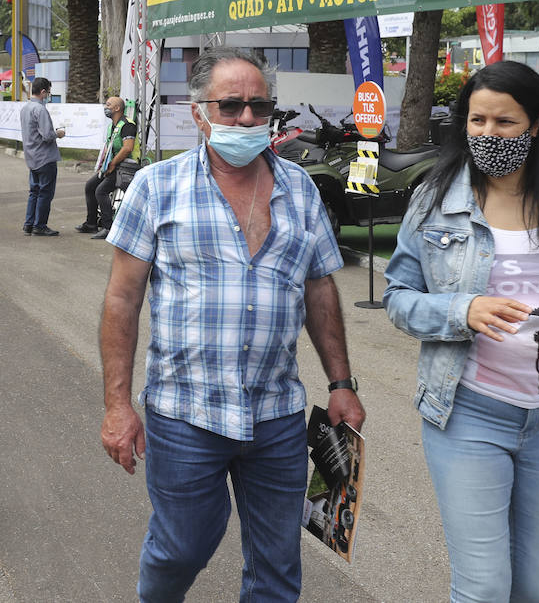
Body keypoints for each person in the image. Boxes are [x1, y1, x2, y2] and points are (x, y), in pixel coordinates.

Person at [99, 48, 364, 601]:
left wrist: (341, 384)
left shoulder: (301, 189)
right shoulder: (156, 187)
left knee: (277, 567)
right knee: (182, 548)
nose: (246, 119)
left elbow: (319, 288)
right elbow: (122, 301)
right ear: (199, 112)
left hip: (276, 416)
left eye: (259, 105)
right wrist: (118, 406)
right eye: (231, 106)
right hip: (186, 414)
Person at [384, 60, 539, 603]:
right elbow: (398, 299)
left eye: (505, 122)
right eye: (477, 121)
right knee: (485, 586)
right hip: (469, 412)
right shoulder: (434, 201)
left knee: (538, 588)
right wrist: (461, 309)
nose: (488, 134)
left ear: (536, 125)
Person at [76, 96, 137, 240]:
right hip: (113, 166)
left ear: (117, 108)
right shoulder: (112, 126)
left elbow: (128, 148)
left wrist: (113, 163)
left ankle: (108, 227)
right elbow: (109, 148)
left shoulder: (128, 124)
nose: (105, 107)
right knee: (90, 186)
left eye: (108, 105)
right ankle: (91, 223)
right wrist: (104, 165)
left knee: (100, 191)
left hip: (125, 167)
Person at [20, 77, 64, 236]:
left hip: (32, 157)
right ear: (43, 91)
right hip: (45, 157)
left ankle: (29, 224)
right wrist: (58, 133)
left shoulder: (25, 108)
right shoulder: (40, 109)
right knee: (45, 193)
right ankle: (40, 225)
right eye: (48, 92)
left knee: (34, 192)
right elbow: (47, 135)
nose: (48, 96)